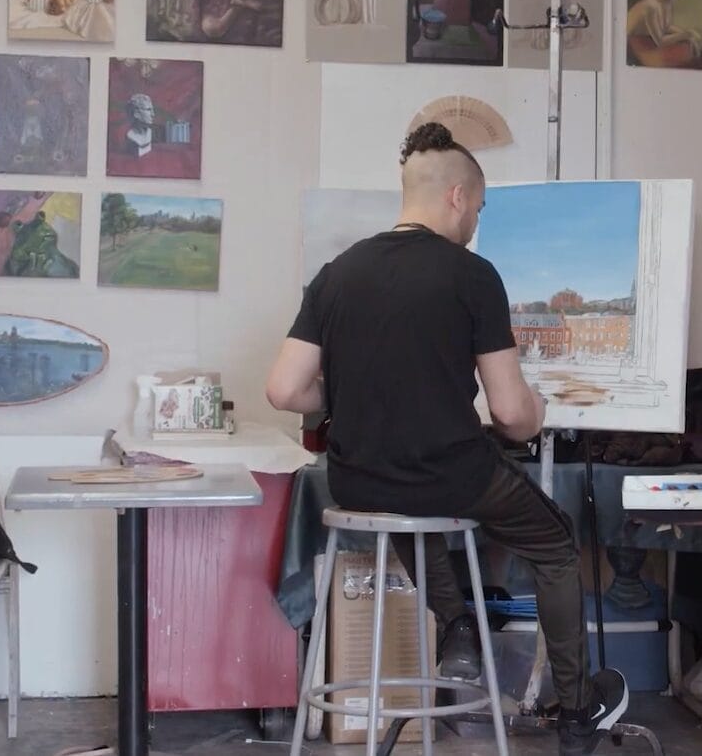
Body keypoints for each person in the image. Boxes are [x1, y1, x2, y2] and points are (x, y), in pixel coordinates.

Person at [267, 123, 629, 754]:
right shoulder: (472, 275)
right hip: (452, 472)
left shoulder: (337, 273)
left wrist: (344, 395)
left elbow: (285, 390)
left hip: (358, 479)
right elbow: (512, 416)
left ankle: (459, 624)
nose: (476, 224)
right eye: (479, 209)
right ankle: (577, 712)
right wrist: (540, 408)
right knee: (554, 544)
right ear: (458, 196)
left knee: (408, 509)